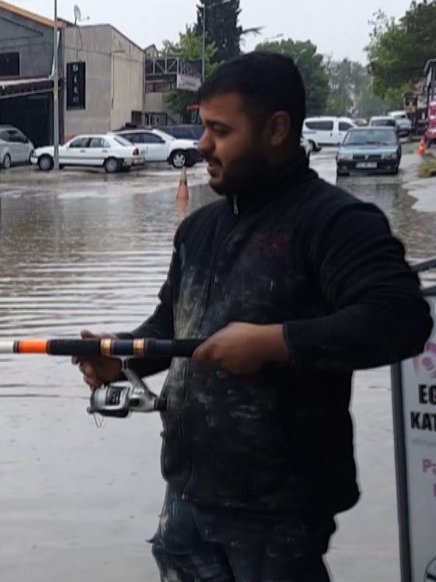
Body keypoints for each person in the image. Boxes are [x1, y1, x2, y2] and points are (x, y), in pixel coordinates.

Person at [74, 51, 433, 582]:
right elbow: (170, 330)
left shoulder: (336, 223)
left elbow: (402, 318)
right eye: (203, 129)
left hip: (279, 512)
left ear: (277, 130)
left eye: (220, 131)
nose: (202, 146)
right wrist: (118, 356)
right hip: (186, 497)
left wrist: (272, 343)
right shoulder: (197, 231)